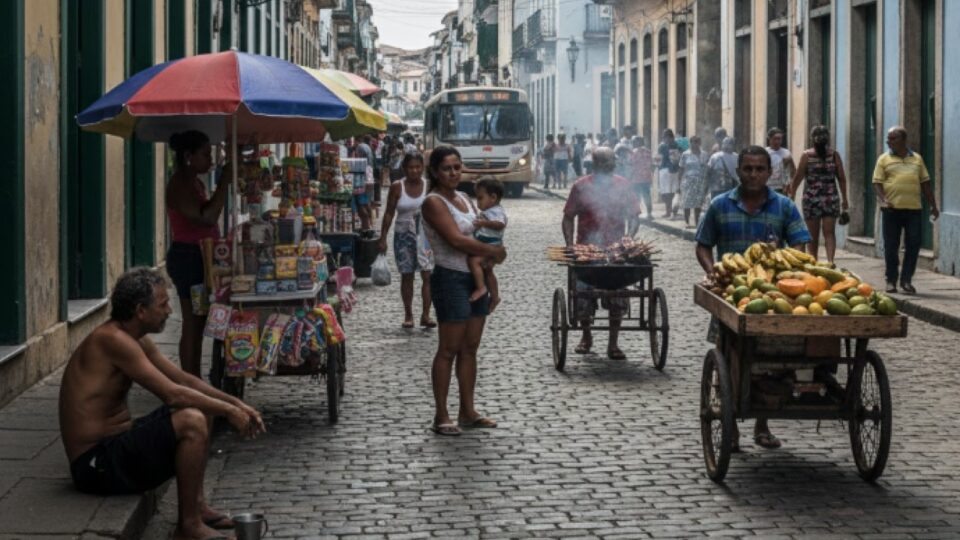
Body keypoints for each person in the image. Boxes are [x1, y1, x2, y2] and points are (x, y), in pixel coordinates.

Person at [59, 267, 266, 540]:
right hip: (95, 465)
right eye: (163, 303)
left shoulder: (134, 338)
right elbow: (173, 395)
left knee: (203, 407)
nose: (169, 310)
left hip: (117, 445)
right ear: (140, 311)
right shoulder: (112, 340)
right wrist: (230, 412)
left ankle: (197, 506)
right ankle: (188, 527)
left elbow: (184, 380)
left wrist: (237, 404)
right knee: (191, 420)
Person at [696, 146, 811, 451]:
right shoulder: (720, 205)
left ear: (769, 172)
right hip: (732, 295)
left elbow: (801, 244)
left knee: (774, 360)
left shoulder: (784, 207)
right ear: (738, 171)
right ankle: (730, 425)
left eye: (760, 169)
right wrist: (713, 272)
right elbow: (703, 245)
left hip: (775, 297)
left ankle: (763, 425)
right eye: (748, 169)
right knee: (730, 359)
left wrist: (796, 267)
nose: (754, 174)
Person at [421, 147, 507, 436]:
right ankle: (441, 414)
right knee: (448, 349)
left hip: (474, 278)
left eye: (457, 167)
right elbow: (457, 240)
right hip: (450, 279)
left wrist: (491, 261)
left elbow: (482, 231)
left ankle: (467, 411)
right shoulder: (433, 202)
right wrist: (493, 250)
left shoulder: (466, 199)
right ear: (434, 171)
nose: (454, 173)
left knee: (470, 348)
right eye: (447, 168)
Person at [562, 147, 641, 360]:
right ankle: (586, 336)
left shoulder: (623, 186)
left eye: (611, 162)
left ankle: (613, 343)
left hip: (615, 251)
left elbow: (634, 216)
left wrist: (630, 236)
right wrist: (570, 244)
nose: (611, 166)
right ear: (595, 164)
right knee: (583, 296)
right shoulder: (580, 187)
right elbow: (568, 216)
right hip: (587, 249)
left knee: (617, 296)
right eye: (606, 163)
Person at [165, 130, 226, 379]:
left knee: (199, 321)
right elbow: (206, 217)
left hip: (199, 257)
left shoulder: (193, 182)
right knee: (193, 322)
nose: (210, 160)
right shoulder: (180, 183)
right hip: (189, 259)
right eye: (205, 154)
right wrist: (225, 183)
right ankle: (190, 379)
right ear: (189, 156)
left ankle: (193, 377)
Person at [871, 126, 939, 294]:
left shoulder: (917, 159)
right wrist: (884, 199)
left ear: (903, 140)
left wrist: (933, 205)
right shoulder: (884, 159)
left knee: (913, 245)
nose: (888, 141)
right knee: (891, 246)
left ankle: (906, 280)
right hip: (891, 210)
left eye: (893, 138)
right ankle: (891, 280)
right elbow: (877, 183)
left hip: (913, 209)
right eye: (888, 138)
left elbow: (925, 183)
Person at [378, 152, 436, 329]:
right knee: (407, 275)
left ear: (422, 168)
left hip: (425, 236)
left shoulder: (429, 186)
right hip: (403, 235)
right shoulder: (397, 187)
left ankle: (426, 314)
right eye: (411, 167)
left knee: (428, 275)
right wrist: (383, 237)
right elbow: (389, 213)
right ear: (404, 169)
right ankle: (408, 314)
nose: (415, 171)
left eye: (418, 167)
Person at [785, 125, 849, 264]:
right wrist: (845, 199)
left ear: (812, 139)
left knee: (812, 235)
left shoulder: (806, 155)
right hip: (831, 198)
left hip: (811, 199)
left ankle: (814, 262)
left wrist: (792, 195)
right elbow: (842, 178)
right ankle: (831, 261)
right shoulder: (834, 155)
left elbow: (798, 177)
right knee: (829, 232)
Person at [467, 178, 507, 305]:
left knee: (473, 261)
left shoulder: (496, 211)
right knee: (488, 271)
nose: (478, 202)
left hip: (491, 245)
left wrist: (484, 223)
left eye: (480, 198)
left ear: (493, 197)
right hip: (487, 244)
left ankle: (481, 288)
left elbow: (500, 224)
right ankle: (495, 297)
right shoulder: (488, 211)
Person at [679, 135, 709, 228]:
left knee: (698, 203)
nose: (694, 144)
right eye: (693, 142)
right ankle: (687, 221)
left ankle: (697, 223)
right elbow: (681, 168)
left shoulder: (704, 154)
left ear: (699, 143)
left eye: (697, 142)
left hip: (700, 181)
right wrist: (679, 182)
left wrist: (707, 183)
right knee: (686, 202)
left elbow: (707, 168)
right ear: (690, 143)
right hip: (688, 180)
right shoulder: (685, 154)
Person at [656, 129, 681, 218]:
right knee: (670, 191)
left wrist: (658, 167)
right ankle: (670, 210)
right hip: (672, 171)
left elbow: (659, 160)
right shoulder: (675, 145)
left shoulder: (663, 146)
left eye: (666, 137)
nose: (666, 138)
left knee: (667, 192)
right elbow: (675, 159)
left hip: (666, 171)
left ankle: (669, 211)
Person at [706, 136, 739, 201]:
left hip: (731, 187)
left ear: (733, 145)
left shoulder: (737, 157)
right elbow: (708, 171)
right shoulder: (715, 156)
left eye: (729, 143)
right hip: (717, 188)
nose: (726, 145)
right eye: (725, 143)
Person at [629, 136, 655, 219]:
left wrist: (629, 177)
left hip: (636, 178)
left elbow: (631, 165)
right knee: (647, 196)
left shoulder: (633, 152)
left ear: (637, 142)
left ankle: (636, 213)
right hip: (647, 178)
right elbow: (652, 165)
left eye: (633, 142)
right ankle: (649, 214)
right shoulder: (648, 151)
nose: (632, 143)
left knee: (637, 197)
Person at [765, 127, 795, 195]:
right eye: (775, 139)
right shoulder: (764, 153)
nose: (777, 141)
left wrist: (790, 183)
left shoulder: (786, 153)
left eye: (779, 139)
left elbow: (793, 171)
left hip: (782, 188)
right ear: (769, 139)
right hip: (767, 187)